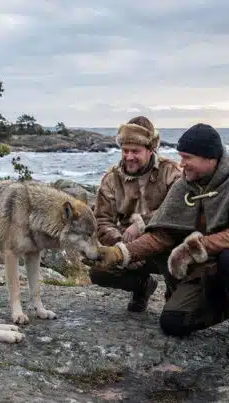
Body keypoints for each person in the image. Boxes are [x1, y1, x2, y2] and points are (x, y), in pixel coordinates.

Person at [93, 123, 229, 360]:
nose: (182, 164)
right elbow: (163, 234)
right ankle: (224, 308)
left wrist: (194, 248)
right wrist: (121, 253)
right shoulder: (185, 184)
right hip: (199, 270)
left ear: (211, 158)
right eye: (180, 157)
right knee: (173, 324)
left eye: (188, 158)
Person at [91, 116, 181, 312]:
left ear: (151, 150)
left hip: (163, 245)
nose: (129, 156)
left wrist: (141, 225)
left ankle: (174, 296)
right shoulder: (111, 178)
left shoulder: (171, 173)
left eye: (136, 151)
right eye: (125, 150)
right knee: (98, 272)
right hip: (125, 247)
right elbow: (102, 220)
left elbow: (178, 211)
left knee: (175, 316)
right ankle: (142, 287)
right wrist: (121, 246)